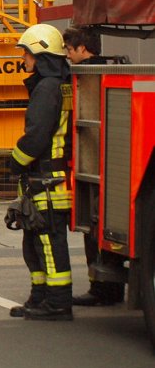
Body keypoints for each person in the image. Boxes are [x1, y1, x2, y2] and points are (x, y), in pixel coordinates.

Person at [8, 23, 74, 321]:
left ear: (41, 53)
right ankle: (40, 297)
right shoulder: (58, 83)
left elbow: (37, 136)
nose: (24, 59)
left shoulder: (47, 88)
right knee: (35, 241)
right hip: (46, 179)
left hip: (46, 180)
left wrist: (15, 161)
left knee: (47, 241)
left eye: (27, 53)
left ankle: (57, 302)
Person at [63, 26, 125, 307]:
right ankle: (111, 289)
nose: (67, 55)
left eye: (69, 49)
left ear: (82, 49)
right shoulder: (111, 73)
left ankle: (101, 290)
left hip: (92, 164)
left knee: (94, 228)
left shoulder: (86, 77)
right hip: (108, 164)